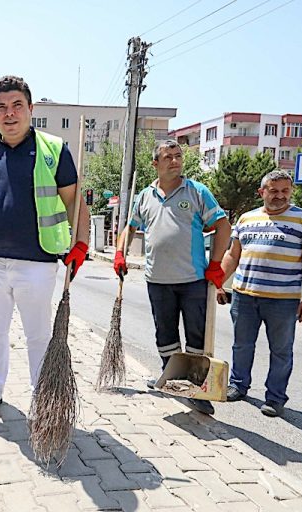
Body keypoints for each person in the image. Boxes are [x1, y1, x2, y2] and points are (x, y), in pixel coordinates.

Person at [0, 75, 90, 418]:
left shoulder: (54, 150)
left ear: (30, 109)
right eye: (1, 107)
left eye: (16, 106)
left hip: (36, 264)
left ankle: (40, 397)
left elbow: (76, 204)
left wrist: (81, 244)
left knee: (38, 335)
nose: (9, 114)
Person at [114, 139, 231, 415]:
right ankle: (171, 379)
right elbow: (129, 229)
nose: (176, 161)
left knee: (196, 337)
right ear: (155, 163)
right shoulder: (144, 196)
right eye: (168, 157)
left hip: (192, 280)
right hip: (158, 281)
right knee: (165, 335)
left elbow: (223, 227)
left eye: (178, 156)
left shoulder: (196, 192)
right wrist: (120, 253)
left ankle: (197, 390)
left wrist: (215, 264)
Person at [217, 169, 302, 417]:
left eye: (285, 191)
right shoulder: (246, 219)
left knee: (281, 350)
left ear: (291, 192)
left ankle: (275, 398)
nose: (280, 196)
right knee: (242, 345)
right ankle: (238, 385)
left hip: (283, 300)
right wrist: (218, 282)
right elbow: (233, 255)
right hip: (244, 295)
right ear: (262, 192)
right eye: (273, 191)